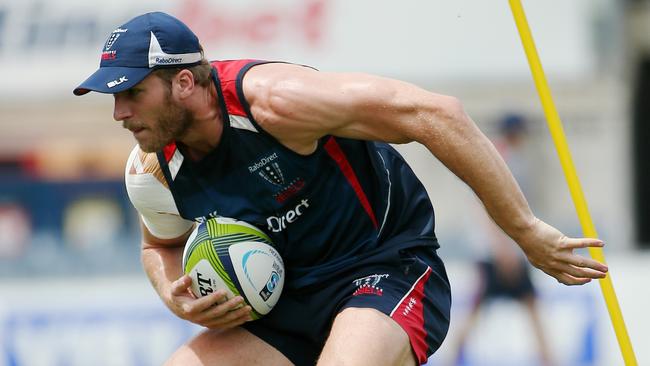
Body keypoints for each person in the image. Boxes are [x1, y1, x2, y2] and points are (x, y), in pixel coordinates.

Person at [73, 12, 608, 366]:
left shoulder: (276, 102)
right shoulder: (151, 170)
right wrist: (174, 295)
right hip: (285, 304)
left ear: (184, 82)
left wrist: (525, 230)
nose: (119, 113)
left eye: (132, 93)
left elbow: (435, 113)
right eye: (113, 97)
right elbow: (158, 247)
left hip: (382, 266)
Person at [451, 114, 553, 366]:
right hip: (498, 252)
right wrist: (502, 248)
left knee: (528, 308)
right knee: (519, 308)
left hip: (502, 249)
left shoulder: (502, 157)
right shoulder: (502, 159)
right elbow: (486, 208)